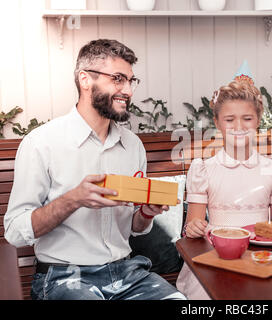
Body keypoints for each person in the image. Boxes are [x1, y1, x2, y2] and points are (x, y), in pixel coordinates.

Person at [4, 39, 186, 300]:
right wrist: (72, 199)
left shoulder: (132, 146)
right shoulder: (41, 143)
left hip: (127, 272)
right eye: (118, 79)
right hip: (64, 277)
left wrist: (145, 213)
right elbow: (14, 232)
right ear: (85, 79)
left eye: (131, 81)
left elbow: (135, 226)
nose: (128, 91)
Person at [176, 61, 272, 299]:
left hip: (261, 258)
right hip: (215, 257)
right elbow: (192, 227)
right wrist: (195, 228)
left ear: (258, 120)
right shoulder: (203, 169)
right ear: (218, 123)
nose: (239, 127)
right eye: (230, 120)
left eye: (247, 119)